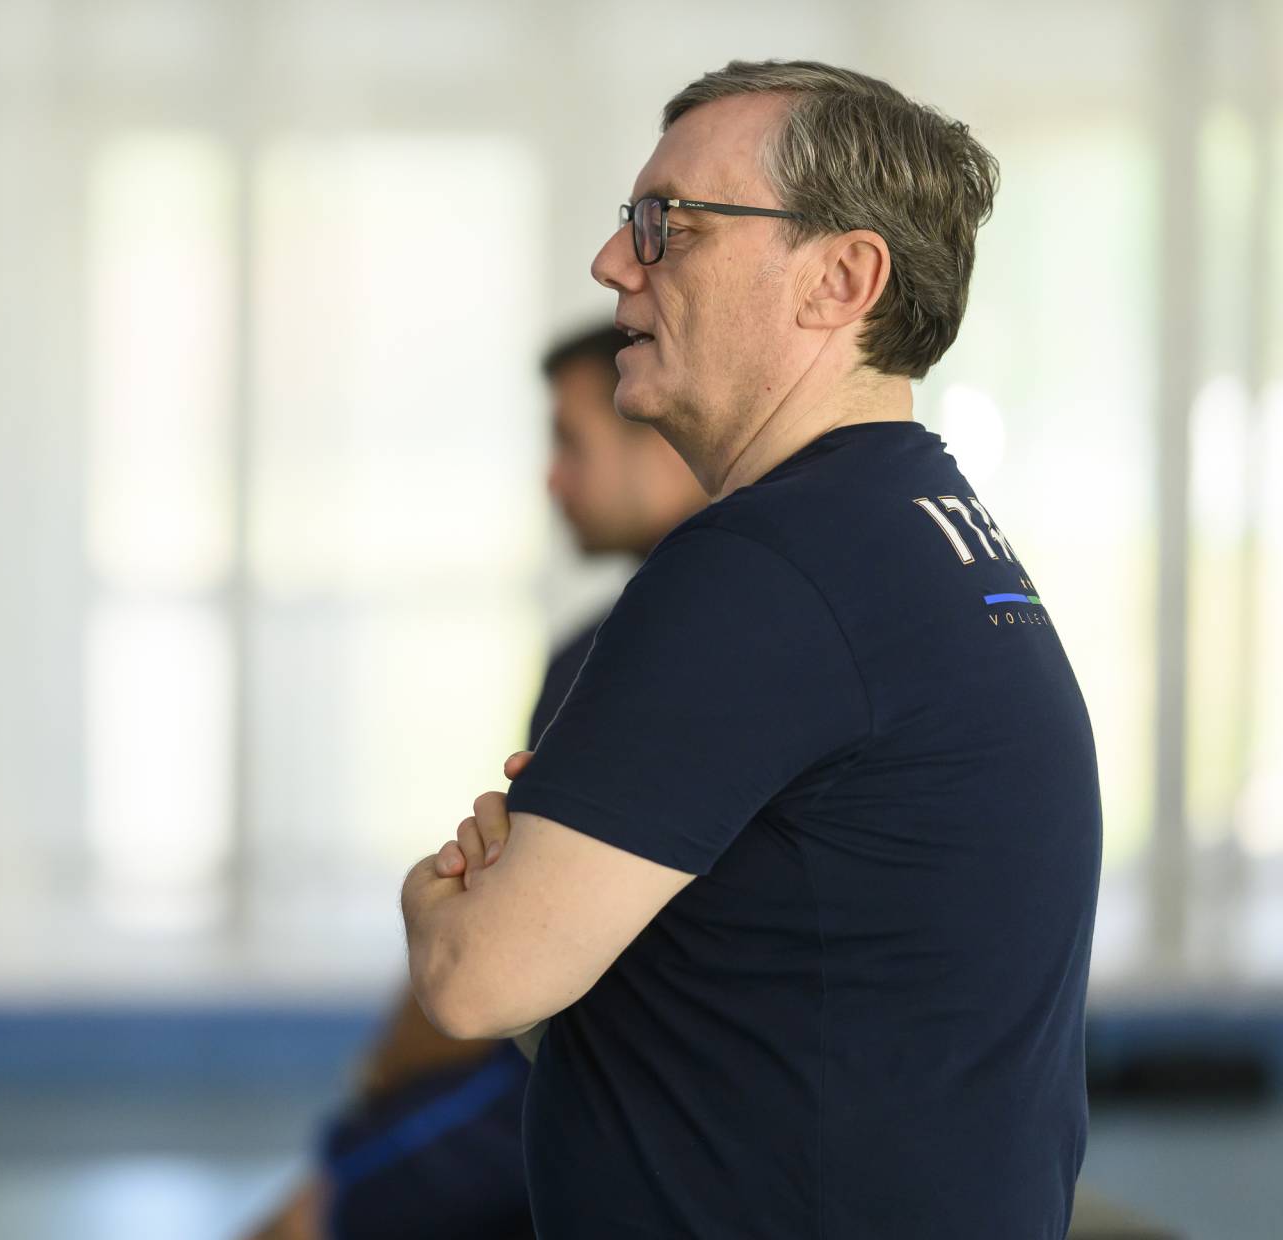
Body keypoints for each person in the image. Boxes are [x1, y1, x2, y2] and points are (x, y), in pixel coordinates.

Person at [404, 60, 1100, 1239]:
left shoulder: (764, 567)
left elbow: (480, 979)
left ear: (840, 279)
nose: (614, 261)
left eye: (668, 225)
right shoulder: (927, 528)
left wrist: (441, 899)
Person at [241, 324, 708, 1240]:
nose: (552, 480)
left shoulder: (621, 660)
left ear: (658, 437)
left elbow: (505, 955)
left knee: (313, 1212)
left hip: (610, 1093)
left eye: (571, 443)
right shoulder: (724, 632)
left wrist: (382, 1078)